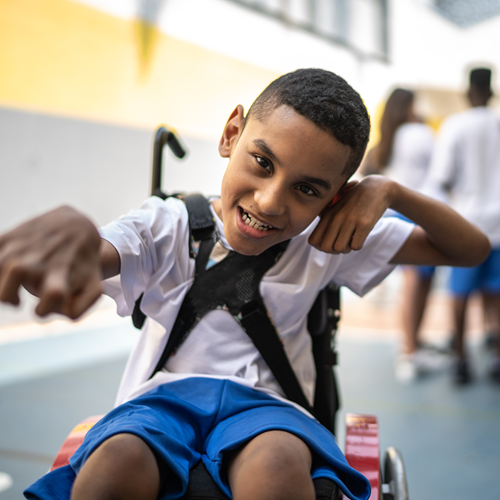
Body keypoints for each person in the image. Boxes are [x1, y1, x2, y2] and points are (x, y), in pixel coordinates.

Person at [0, 69, 489, 500]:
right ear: (232, 133)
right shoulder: (165, 226)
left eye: (307, 189)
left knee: (277, 463)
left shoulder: (326, 241)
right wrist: (78, 239)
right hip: (160, 402)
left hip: (269, 410)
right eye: (262, 163)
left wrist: (392, 190)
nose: (271, 201)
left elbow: (471, 250)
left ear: (335, 199)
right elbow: (101, 250)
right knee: (115, 463)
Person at [362, 88, 445, 383]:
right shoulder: (419, 133)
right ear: (408, 107)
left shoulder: (385, 140)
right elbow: (439, 172)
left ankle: (412, 346)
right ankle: (409, 351)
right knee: (417, 284)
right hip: (417, 213)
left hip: (391, 214)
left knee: (415, 283)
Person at [425, 67, 500, 384]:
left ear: (468, 92)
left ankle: (460, 357)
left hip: (467, 224)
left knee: (460, 294)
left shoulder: (456, 126)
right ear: (492, 91)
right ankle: (496, 357)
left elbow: (441, 178)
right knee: (495, 294)